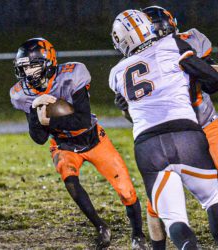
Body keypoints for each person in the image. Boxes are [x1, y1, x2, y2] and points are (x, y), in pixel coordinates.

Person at [109, 9, 218, 249]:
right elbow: (216, 82)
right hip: (186, 133)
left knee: (174, 217)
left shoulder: (115, 74)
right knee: (213, 199)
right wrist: (192, 66)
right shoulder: (173, 45)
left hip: (149, 144)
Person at [10, 37, 148, 249]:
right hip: (63, 144)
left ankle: (137, 234)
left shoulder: (72, 75)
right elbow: (38, 138)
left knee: (126, 191)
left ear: (48, 62)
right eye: (24, 67)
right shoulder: (24, 94)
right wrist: (34, 111)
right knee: (69, 179)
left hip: (93, 138)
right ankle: (101, 227)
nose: (29, 72)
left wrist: (50, 120)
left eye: (34, 65)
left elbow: (82, 119)